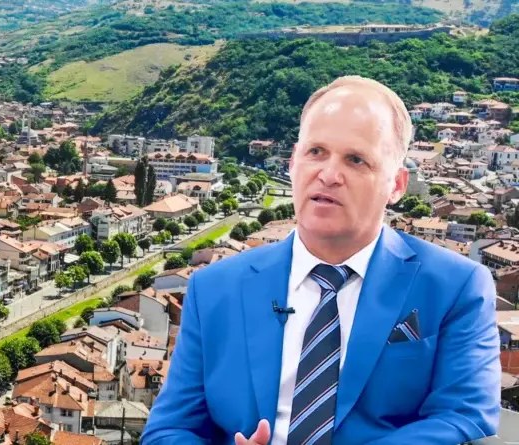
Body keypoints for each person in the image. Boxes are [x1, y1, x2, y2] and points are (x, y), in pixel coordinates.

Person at [141, 76, 500, 445]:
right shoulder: (213, 288)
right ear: (293, 163)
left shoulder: (456, 286)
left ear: (396, 184)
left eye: (356, 160)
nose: (328, 175)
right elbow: (169, 431)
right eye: (316, 152)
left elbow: (464, 413)